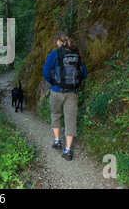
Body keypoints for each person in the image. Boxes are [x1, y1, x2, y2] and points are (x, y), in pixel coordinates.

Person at [42, 31, 87, 161]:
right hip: (72, 93)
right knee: (70, 119)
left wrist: (54, 83)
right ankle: (68, 151)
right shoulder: (78, 55)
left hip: (56, 91)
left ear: (59, 42)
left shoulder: (54, 55)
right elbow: (84, 74)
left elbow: (46, 73)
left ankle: (57, 142)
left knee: (56, 114)